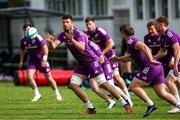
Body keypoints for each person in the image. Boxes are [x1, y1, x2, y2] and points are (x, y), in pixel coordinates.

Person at [44, 15, 132, 114]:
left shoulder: (78, 33)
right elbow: (54, 46)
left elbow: (81, 47)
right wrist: (50, 42)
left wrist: (72, 40)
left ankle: (125, 103)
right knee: (73, 85)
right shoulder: (63, 35)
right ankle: (90, 108)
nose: (65, 24)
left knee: (104, 84)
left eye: (67, 22)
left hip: (91, 61)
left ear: (72, 23)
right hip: (82, 64)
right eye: (63, 22)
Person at [111, 25, 180, 117]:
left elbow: (145, 47)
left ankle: (151, 105)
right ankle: (178, 105)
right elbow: (130, 56)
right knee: (161, 93)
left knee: (133, 86)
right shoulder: (131, 42)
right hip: (157, 67)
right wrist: (117, 58)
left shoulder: (131, 40)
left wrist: (151, 59)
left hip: (150, 67)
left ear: (123, 34)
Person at [84, 17, 132, 106]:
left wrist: (100, 54)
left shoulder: (100, 31)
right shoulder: (88, 35)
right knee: (101, 84)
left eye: (90, 24)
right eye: (87, 24)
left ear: (94, 23)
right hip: (100, 60)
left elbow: (111, 43)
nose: (88, 26)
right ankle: (111, 99)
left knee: (116, 77)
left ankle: (127, 96)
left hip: (110, 57)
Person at [18, 24, 62, 102]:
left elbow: (46, 49)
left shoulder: (38, 38)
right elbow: (22, 50)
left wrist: (44, 60)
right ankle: (37, 94)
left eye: (28, 29)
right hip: (32, 61)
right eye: (25, 30)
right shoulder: (23, 40)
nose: (26, 31)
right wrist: (21, 60)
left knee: (49, 78)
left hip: (42, 60)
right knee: (29, 77)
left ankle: (57, 93)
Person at [155, 16, 180, 113]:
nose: (155, 26)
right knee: (176, 82)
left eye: (156, 24)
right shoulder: (162, 36)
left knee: (168, 82)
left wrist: (175, 65)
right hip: (176, 61)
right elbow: (163, 52)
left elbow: (177, 49)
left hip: (178, 60)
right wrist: (152, 58)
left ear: (161, 24)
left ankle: (178, 105)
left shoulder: (169, 33)